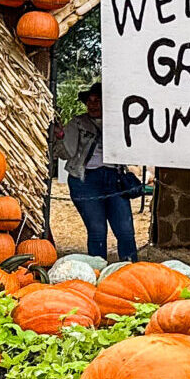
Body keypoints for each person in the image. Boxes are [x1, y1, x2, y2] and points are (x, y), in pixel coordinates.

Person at [55, 86, 142, 261]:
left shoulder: (120, 121)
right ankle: (98, 271)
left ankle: (131, 267)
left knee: (125, 230)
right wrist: (61, 136)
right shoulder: (78, 123)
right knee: (97, 230)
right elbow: (65, 153)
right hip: (86, 180)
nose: (93, 105)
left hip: (114, 178)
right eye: (90, 101)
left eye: (98, 100)